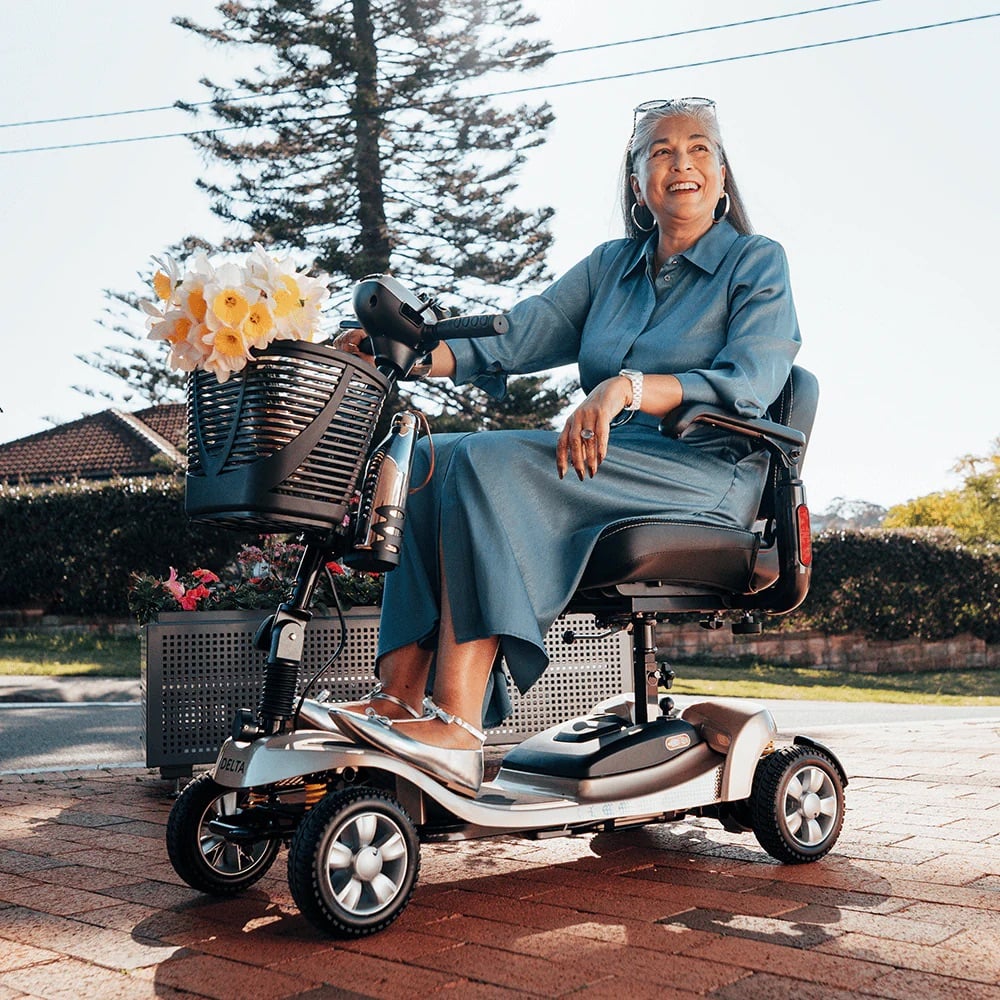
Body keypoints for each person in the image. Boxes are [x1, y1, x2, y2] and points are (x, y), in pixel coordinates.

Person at [329, 97, 801, 795]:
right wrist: (401, 354)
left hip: (703, 469)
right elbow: (517, 336)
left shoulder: (757, 263)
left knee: (489, 462)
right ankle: (400, 698)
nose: (683, 163)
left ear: (724, 176)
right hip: (605, 460)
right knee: (430, 459)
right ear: (638, 183)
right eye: (661, 151)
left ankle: (457, 726)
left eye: (700, 149)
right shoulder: (612, 266)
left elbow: (752, 381)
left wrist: (627, 388)